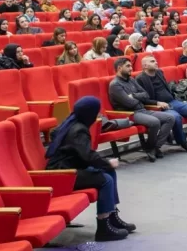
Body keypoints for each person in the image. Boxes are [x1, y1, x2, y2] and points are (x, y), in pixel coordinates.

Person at [45, 97, 134, 242]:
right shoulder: (79, 130)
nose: (98, 116)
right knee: (105, 180)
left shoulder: (72, 121)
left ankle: (112, 216)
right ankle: (104, 227)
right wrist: (107, 162)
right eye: (96, 113)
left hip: (68, 168)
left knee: (109, 171)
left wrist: (106, 165)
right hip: (63, 174)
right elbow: (88, 156)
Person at [108, 58, 187, 161]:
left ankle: (154, 147)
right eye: (128, 66)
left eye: (131, 66)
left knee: (170, 118)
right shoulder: (115, 85)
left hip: (142, 110)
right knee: (155, 122)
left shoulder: (131, 80)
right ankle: (151, 147)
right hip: (130, 114)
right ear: (119, 68)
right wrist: (138, 98)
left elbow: (146, 95)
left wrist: (133, 95)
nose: (131, 68)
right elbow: (130, 103)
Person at [135, 56, 187, 152]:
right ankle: (183, 142)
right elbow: (144, 98)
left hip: (173, 101)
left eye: (155, 60)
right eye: (152, 61)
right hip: (159, 107)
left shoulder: (159, 72)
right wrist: (157, 103)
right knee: (176, 117)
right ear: (145, 66)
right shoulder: (140, 79)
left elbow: (168, 89)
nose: (156, 62)